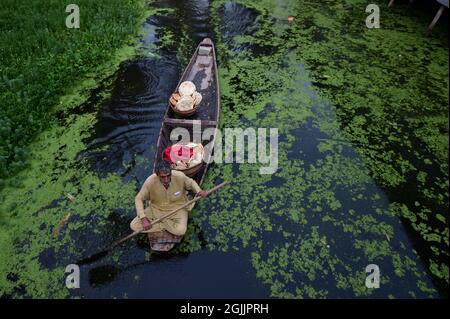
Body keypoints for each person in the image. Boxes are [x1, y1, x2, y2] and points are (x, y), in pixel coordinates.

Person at [130, 160, 207, 237]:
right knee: (134, 225)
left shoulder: (179, 176)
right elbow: (138, 198)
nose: (166, 180)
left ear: (171, 172)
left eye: (168, 175)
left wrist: (199, 191)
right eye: (163, 177)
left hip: (178, 208)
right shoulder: (150, 181)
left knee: (181, 230)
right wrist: (143, 218)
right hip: (157, 209)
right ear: (157, 174)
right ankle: (163, 225)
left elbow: (191, 183)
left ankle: (159, 223)